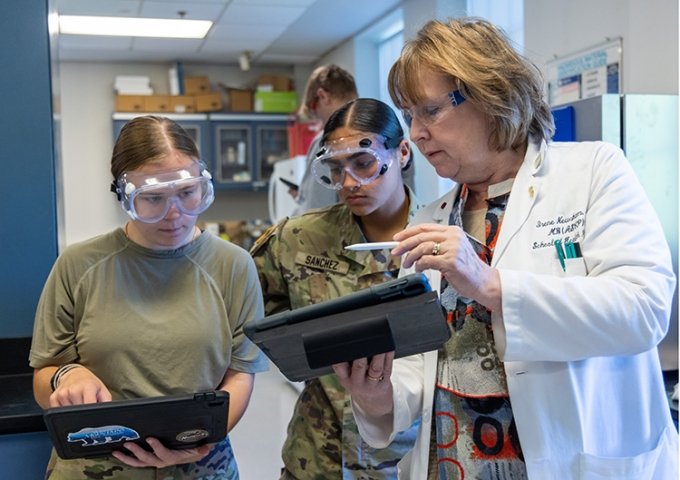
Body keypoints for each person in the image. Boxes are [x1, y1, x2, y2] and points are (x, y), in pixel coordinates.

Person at [332, 17, 678, 480]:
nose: (414, 133)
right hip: (452, 465)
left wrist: (489, 283)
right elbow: (420, 365)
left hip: (576, 462)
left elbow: (645, 311)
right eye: (409, 115)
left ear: (491, 95)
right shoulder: (431, 218)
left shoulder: (594, 171)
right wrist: (376, 395)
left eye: (430, 111)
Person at [30, 115, 269, 479]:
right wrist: (67, 377)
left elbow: (240, 375)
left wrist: (193, 444)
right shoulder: (78, 265)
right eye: (153, 199)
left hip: (199, 463)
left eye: (188, 193)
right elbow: (44, 373)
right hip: (96, 467)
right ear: (124, 196)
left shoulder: (233, 265)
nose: (174, 215)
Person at [251, 98, 423, 479]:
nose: (349, 183)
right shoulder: (299, 240)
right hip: (315, 458)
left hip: (404, 461)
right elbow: (245, 315)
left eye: (363, 164)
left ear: (403, 152)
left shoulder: (440, 239)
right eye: (335, 169)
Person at [290, 64, 358, 215]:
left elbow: (315, 213)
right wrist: (304, 194)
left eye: (314, 111)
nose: (319, 121)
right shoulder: (382, 134)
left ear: (323, 96)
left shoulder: (327, 142)